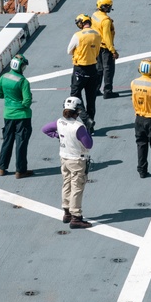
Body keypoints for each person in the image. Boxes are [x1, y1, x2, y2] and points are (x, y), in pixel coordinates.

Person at [42, 96, 94, 229]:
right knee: (77, 187)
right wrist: (88, 130)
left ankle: (66, 212)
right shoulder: (78, 127)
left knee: (66, 183)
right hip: (76, 159)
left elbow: (45, 129)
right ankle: (76, 216)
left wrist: (57, 136)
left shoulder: (60, 122)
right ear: (78, 111)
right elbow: (88, 144)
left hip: (64, 157)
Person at [0, 53, 34, 178]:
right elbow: (26, 102)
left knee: (7, 141)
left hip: (8, 115)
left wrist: (10, 99)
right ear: (20, 67)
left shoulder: (4, 77)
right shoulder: (23, 81)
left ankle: (2, 168)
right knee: (21, 143)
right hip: (22, 117)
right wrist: (19, 103)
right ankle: (20, 171)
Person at [67, 13, 102, 128]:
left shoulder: (78, 35)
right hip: (93, 68)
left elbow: (69, 50)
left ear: (81, 23)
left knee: (74, 95)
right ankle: (90, 126)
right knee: (91, 99)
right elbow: (97, 51)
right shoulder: (97, 34)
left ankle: (86, 119)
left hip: (80, 69)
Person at [92, 0, 119, 98]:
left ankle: (96, 89)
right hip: (105, 48)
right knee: (108, 69)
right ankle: (108, 91)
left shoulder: (95, 15)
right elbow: (107, 37)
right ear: (105, 7)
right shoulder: (106, 21)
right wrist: (113, 51)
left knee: (99, 69)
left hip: (96, 46)